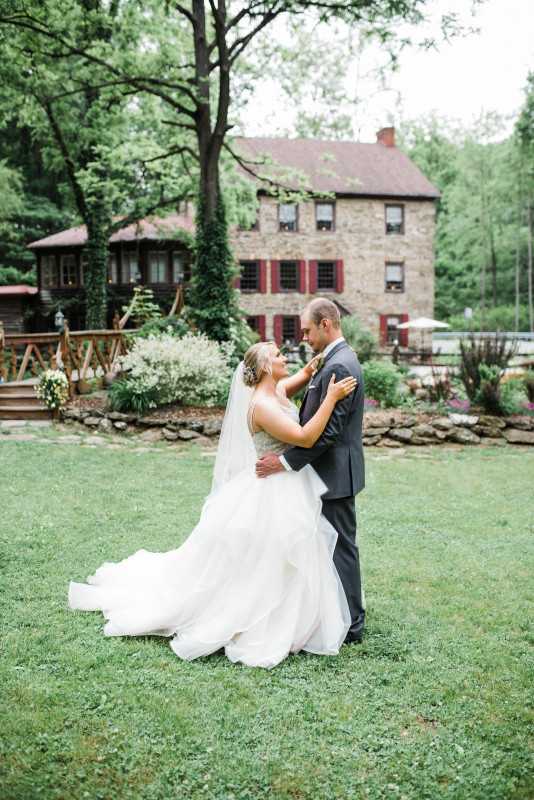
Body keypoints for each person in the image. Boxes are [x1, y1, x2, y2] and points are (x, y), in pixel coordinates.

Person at [68, 341, 356, 669]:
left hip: (285, 485)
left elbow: (302, 374)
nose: (285, 357)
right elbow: (304, 437)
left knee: (282, 555)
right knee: (265, 557)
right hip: (271, 490)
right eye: (278, 355)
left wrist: (331, 354)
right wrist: (331, 398)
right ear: (264, 367)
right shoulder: (262, 405)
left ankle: (295, 616)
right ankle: (253, 615)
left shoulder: (276, 390)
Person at [255, 298, 366, 643]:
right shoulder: (331, 361)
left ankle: (352, 624)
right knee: (321, 547)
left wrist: (285, 462)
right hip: (321, 474)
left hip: (334, 473)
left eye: (306, 330)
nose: (302, 338)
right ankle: (328, 611)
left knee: (340, 547)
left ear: (325, 324)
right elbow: (305, 392)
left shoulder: (341, 366)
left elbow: (328, 434)